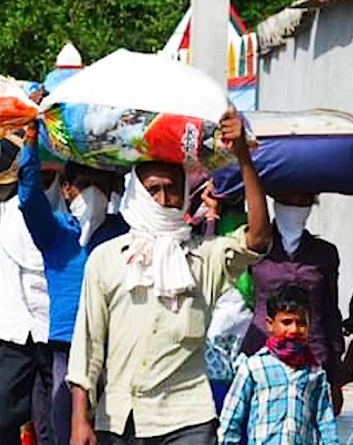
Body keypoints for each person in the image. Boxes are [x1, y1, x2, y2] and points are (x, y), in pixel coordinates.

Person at [67, 110, 271, 445]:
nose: (163, 200)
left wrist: (243, 158)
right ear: (138, 193)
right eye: (154, 190)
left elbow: (258, 240)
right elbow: (88, 346)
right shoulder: (107, 259)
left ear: (184, 194)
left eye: (172, 190)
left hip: (188, 416)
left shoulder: (202, 256)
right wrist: (80, 419)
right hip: (122, 417)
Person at [16, 123, 128, 445]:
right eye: (83, 184)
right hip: (66, 347)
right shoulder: (53, 232)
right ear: (66, 189)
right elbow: (28, 197)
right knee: (64, 429)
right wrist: (30, 142)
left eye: (100, 185)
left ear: (111, 191)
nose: (91, 193)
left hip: (114, 347)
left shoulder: (124, 232)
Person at [0, 154, 66, 445]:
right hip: (15, 333)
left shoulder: (71, 215)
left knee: (54, 417)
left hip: (55, 332)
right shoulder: (3, 211)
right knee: (6, 416)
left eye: (46, 176)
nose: (39, 183)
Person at [240, 192, 346, 414]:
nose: (296, 207)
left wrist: (337, 376)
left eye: (304, 200)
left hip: (313, 356)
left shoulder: (324, 253)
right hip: (262, 351)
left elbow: (330, 312)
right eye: (289, 198)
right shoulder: (256, 245)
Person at [218, 286, 339, 445]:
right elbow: (231, 419)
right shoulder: (254, 367)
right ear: (270, 323)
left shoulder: (314, 372)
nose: (294, 329)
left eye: (302, 323)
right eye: (286, 322)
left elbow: (325, 422)